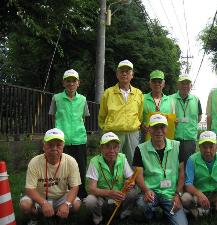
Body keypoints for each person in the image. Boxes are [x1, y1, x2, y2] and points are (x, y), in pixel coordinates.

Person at [132, 114, 188, 225]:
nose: (159, 131)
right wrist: (146, 190)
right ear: (149, 129)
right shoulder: (140, 149)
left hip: (170, 194)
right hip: (151, 192)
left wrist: (178, 195)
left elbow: (182, 173)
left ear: (167, 128)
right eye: (155, 127)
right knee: (141, 207)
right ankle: (151, 214)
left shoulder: (177, 146)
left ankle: (167, 212)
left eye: (162, 127)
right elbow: (138, 175)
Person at [19, 128, 81, 223]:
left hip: (61, 197)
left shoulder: (71, 161)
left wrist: (67, 204)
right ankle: (35, 218)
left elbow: (74, 187)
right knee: (25, 205)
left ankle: (63, 215)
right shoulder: (34, 162)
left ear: (63, 147)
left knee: (76, 204)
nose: (54, 148)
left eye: (58, 145)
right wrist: (43, 203)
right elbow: (29, 189)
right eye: (50, 145)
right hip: (40, 197)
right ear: (44, 146)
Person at [49, 69, 89, 199]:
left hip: (79, 139)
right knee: (61, 168)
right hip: (61, 140)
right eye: (68, 81)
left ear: (78, 83)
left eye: (74, 81)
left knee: (80, 168)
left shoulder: (83, 99)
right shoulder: (56, 98)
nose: (71, 83)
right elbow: (53, 116)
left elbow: (84, 118)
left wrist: (79, 131)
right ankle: (62, 194)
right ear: (63, 83)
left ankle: (81, 194)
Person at [84, 132, 137, 225]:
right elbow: (91, 189)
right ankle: (98, 218)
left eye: (115, 147)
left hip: (119, 196)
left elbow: (130, 179)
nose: (112, 151)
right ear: (101, 148)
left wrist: (129, 183)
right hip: (102, 198)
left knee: (132, 192)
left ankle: (124, 214)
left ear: (119, 148)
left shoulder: (122, 158)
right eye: (107, 147)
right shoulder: (94, 161)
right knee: (90, 200)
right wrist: (109, 193)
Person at [98, 60, 143, 165]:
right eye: (121, 71)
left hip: (132, 134)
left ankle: (131, 182)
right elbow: (102, 115)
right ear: (117, 74)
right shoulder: (108, 93)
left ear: (132, 75)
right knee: (111, 161)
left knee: (133, 162)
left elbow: (139, 115)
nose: (124, 74)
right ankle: (110, 181)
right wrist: (106, 130)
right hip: (113, 133)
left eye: (127, 71)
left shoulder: (138, 93)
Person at [171, 75, 202, 164]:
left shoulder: (196, 100)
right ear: (178, 85)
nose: (185, 86)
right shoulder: (170, 99)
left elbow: (199, 117)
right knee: (175, 164)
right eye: (182, 83)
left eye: (187, 83)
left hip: (190, 138)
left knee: (189, 165)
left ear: (191, 86)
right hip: (174, 138)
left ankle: (188, 178)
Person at [142, 70, 175, 141]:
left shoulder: (170, 101)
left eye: (159, 82)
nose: (157, 84)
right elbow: (137, 117)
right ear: (150, 83)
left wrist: (175, 122)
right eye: (154, 81)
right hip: (147, 139)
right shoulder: (142, 98)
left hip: (165, 140)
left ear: (163, 84)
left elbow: (173, 121)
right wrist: (141, 125)